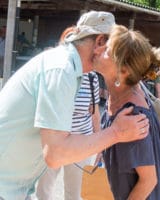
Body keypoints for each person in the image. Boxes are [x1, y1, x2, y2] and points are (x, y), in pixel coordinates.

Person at [0, 11, 149, 199]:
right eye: (117, 51)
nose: (119, 60)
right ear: (100, 43)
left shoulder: (69, 67)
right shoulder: (63, 69)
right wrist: (116, 133)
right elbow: (55, 154)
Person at [95, 24, 160, 200]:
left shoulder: (133, 115)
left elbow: (148, 180)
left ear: (124, 71)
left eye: (107, 50)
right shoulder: (125, 91)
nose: (98, 50)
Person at [36, 70, 101, 200]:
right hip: (53, 142)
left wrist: (100, 146)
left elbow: (95, 114)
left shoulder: (91, 77)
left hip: (81, 144)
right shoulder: (54, 72)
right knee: (43, 192)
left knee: (74, 194)